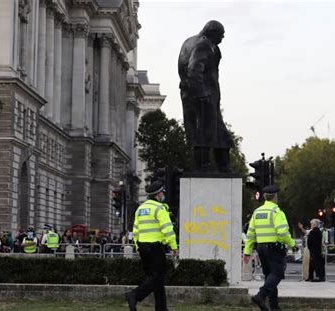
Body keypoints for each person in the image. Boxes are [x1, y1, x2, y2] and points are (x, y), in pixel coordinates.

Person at [178, 20, 234, 172]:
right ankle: (211, 167)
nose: (222, 39)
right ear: (213, 32)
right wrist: (202, 95)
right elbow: (194, 70)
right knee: (206, 133)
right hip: (203, 96)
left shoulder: (189, 41)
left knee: (206, 133)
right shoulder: (204, 44)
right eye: (221, 35)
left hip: (190, 95)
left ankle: (217, 165)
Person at [125, 181, 178, 311]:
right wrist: (174, 247)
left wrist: (138, 247)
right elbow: (167, 229)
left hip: (143, 248)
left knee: (156, 279)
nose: (163, 194)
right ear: (158, 194)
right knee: (157, 278)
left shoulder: (140, 209)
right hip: (155, 248)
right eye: (162, 192)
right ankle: (134, 295)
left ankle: (161, 308)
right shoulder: (160, 209)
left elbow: (135, 231)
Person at [243, 185, 296, 311]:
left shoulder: (257, 212)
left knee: (269, 276)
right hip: (274, 248)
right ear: (275, 197)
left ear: (265, 197)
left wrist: (247, 251)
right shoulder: (276, 212)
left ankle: (274, 306)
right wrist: (293, 244)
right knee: (277, 274)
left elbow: (250, 234)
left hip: (261, 248)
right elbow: (283, 232)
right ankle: (260, 296)